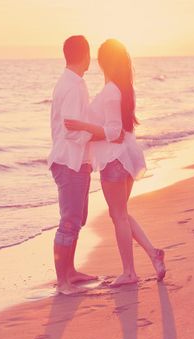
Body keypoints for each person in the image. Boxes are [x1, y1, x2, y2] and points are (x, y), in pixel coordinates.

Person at [64, 39, 166, 287]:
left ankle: (129, 272)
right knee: (121, 213)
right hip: (125, 156)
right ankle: (154, 254)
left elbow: (114, 131)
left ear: (105, 62)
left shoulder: (111, 92)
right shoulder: (121, 88)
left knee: (118, 215)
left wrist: (82, 126)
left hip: (115, 159)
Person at [48, 35, 103, 295]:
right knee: (69, 221)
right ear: (86, 55)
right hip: (69, 161)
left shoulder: (71, 82)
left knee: (77, 219)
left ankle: (70, 272)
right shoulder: (74, 85)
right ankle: (62, 281)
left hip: (76, 160)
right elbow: (71, 128)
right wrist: (95, 132)